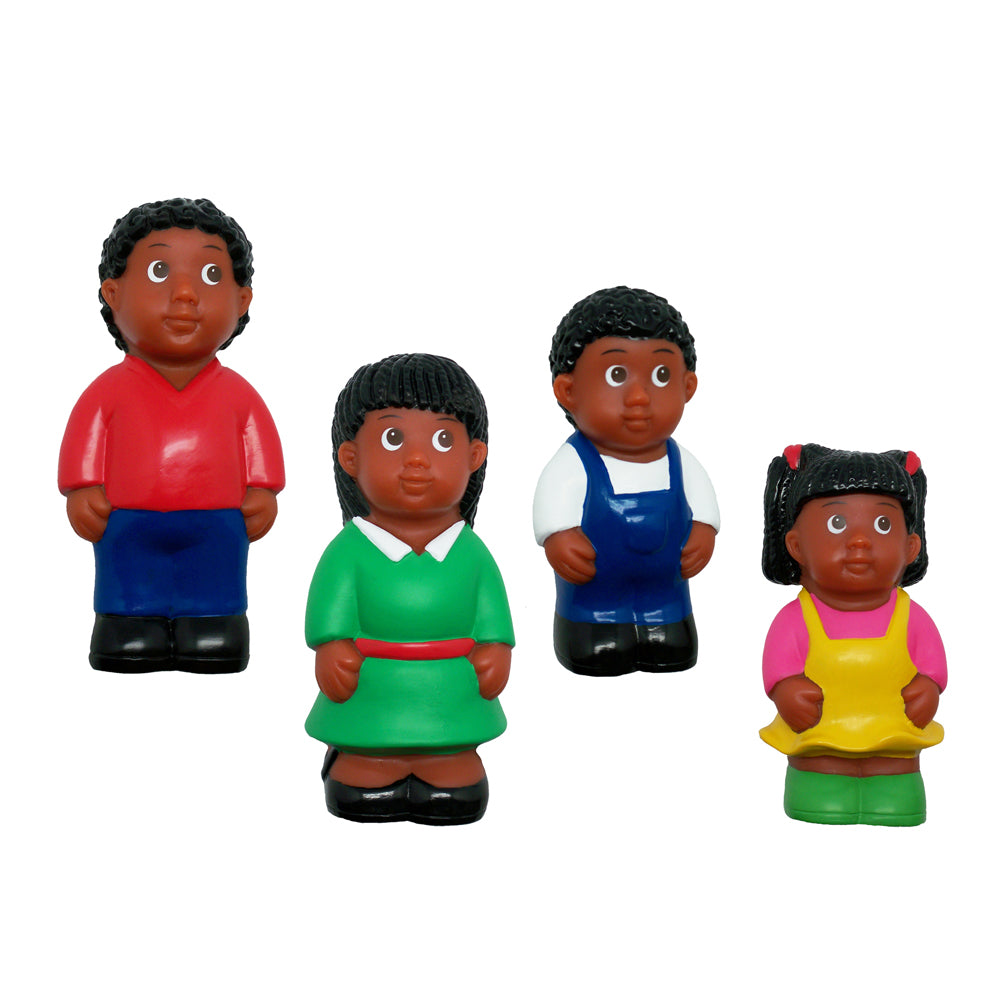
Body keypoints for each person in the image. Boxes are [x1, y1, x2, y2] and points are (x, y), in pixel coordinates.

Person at [58, 198, 284, 673]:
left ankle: (213, 629)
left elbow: (259, 445)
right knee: (127, 580)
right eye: (159, 271)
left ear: (242, 300)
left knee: (216, 580)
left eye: (210, 275)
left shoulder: (238, 394)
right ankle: (128, 629)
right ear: (113, 293)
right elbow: (85, 442)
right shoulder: (108, 391)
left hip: (218, 521)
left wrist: (263, 491)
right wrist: (82, 489)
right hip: (126, 521)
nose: (185, 293)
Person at [304, 354, 514, 825]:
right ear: (351, 458)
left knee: (453, 769)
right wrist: (331, 646)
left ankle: (447, 763)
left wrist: (495, 648)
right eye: (393, 439)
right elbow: (329, 611)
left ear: (474, 457)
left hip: (451, 688)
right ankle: (366, 763)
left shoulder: (471, 553)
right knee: (365, 757)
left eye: (443, 440)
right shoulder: (350, 550)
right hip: (371, 684)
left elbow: (492, 613)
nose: (417, 459)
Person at [533, 286, 719, 676]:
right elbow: (553, 508)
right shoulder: (573, 463)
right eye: (616, 375)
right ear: (568, 391)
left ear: (687, 387)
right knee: (598, 636)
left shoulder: (681, 462)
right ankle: (594, 630)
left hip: (666, 590)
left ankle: (665, 629)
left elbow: (703, 507)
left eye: (661, 375)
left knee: (669, 634)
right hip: (593, 594)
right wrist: (559, 537)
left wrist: (703, 531)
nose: (639, 396)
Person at [759, 444, 946, 825]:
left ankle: (892, 793)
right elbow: (778, 669)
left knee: (895, 787)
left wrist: (928, 688)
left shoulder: (912, 618)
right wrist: (787, 690)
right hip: (819, 747)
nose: (860, 541)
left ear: (911, 548)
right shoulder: (797, 618)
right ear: (796, 545)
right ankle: (821, 790)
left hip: (894, 747)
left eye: (882, 525)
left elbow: (933, 668)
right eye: (837, 524)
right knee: (821, 786)